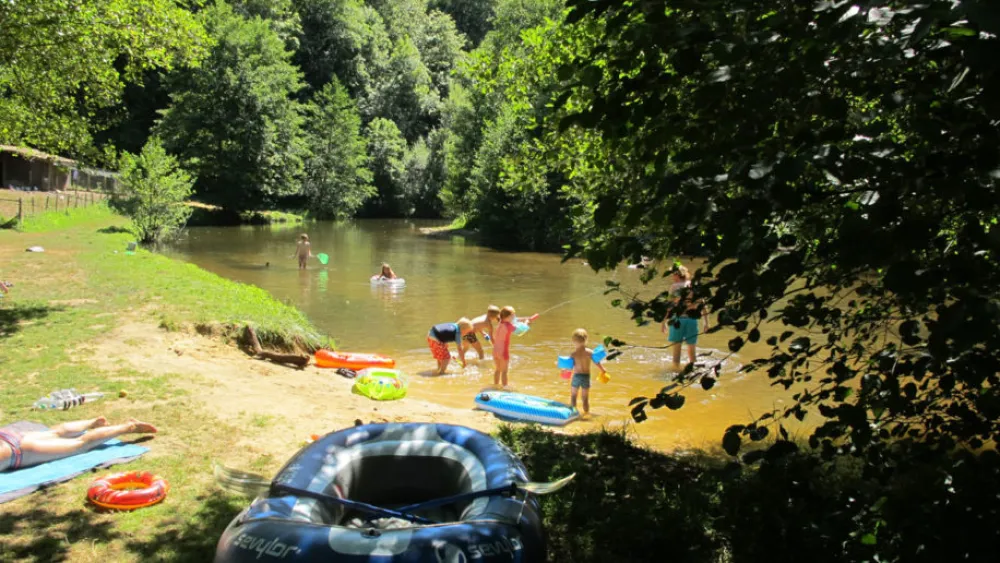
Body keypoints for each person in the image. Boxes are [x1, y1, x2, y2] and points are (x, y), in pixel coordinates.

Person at [0, 417, 157, 472]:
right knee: (56, 432)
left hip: (19, 451)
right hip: (8, 436)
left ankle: (128, 427)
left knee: (80, 444)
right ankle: (92, 422)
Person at [661, 265, 710, 370]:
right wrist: (706, 323)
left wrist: (664, 322)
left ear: (677, 275)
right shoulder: (694, 286)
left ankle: (676, 372)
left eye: (673, 275)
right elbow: (703, 305)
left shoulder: (674, 287)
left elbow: (669, 306)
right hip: (692, 320)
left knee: (676, 352)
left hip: (678, 320)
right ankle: (693, 371)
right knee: (692, 350)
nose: (672, 277)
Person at [566, 328, 607, 417]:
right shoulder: (590, 352)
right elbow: (597, 362)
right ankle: (586, 413)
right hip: (586, 377)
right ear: (586, 340)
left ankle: (573, 413)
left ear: (573, 341)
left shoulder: (573, 354)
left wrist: (566, 373)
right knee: (585, 398)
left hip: (576, 376)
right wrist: (603, 370)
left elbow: (569, 368)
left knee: (573, 396)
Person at [492, 306, 517, 388]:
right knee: (504, 372)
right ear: (508, 317)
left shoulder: (500, 322)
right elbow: (520, 331)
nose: (514, 317)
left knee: (497, 370)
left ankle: (496, 385)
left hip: (495, 351)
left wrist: (524, 319)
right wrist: (527, 323)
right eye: (513, 316)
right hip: (503, 351)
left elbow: (515, 321)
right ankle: (505, 388)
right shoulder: (509, 326)